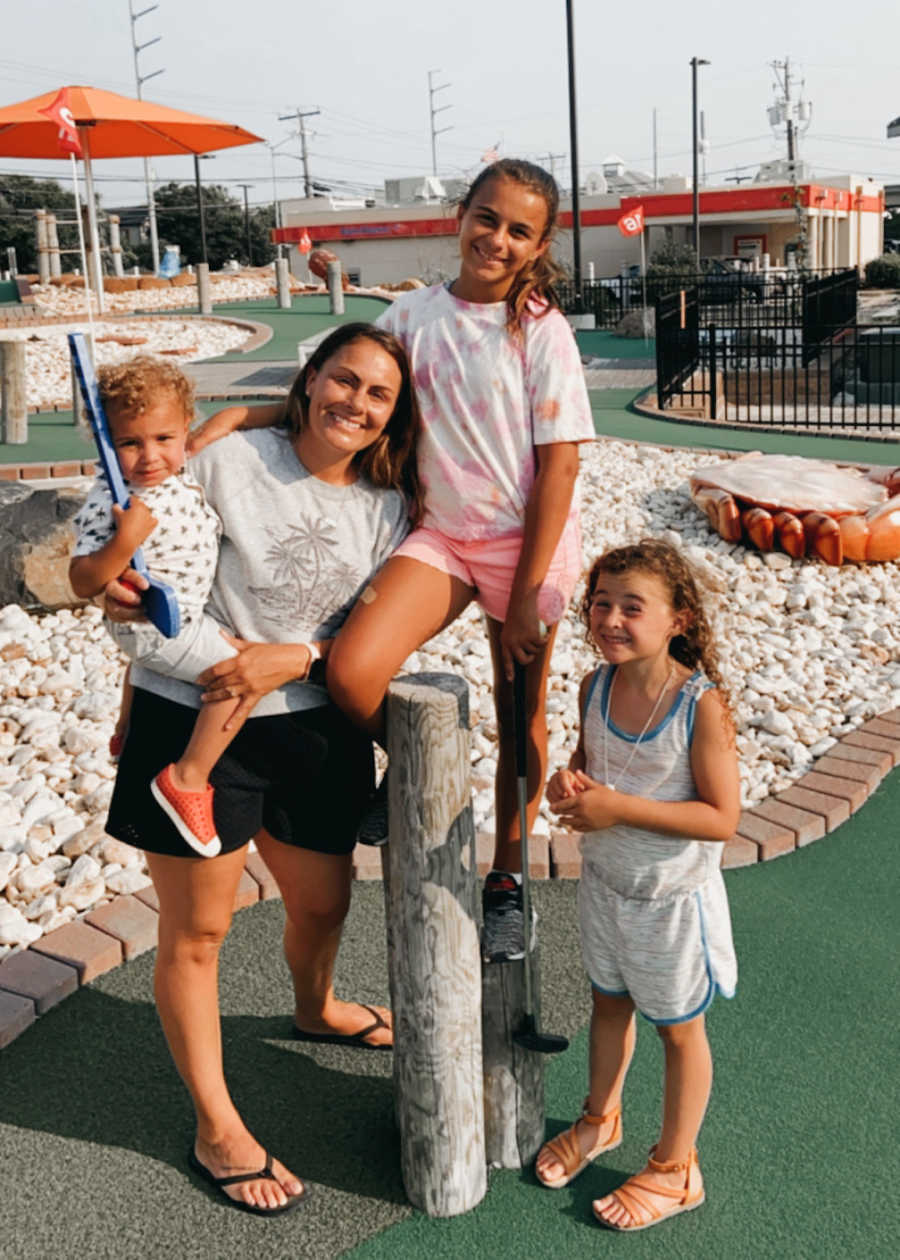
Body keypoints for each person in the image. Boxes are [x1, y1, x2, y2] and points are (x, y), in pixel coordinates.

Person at [193, 159, 596, 963]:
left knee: (523, 716)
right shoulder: (413, 315)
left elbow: (561, 468)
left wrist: (524, 597)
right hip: (444, 536)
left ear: (541, 243)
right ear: (461, 215)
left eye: (520, 230)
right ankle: (417, 766)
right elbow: (351, 388)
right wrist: (250, 410)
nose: (498, 239)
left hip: (528, 550)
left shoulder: (539, 328)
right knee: (351, 670)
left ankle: (508, 880)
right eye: (487, 218)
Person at [99, 323, 421, 1215]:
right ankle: (216, 1123)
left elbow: (370, 633)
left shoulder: (391, 505)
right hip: (191, 722)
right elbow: (148, 568)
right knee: (197, 934)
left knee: (324, 903)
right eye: (342, 380)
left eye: (377, 393)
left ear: (393, 413)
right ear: (308, 378)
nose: (353, 403)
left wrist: (301, 660)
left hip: (315, 730)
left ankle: (314, 1006)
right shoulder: (225, 457)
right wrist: (120, 617)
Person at [535, 539, 739, 1233]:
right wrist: (572, 781)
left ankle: (678, 1167)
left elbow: (721, 818)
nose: (611, 619)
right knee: (608, 1003)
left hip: (670, 903)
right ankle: (602, 1120)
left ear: (678, 618)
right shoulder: (597, 685)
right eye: (600, 603)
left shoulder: (698, 705)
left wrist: (617, 807)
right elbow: (590, 763)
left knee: (679, 1030)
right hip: (607, 888)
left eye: (632, 607)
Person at [70, 356, 248, 858]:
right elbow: (83, 579)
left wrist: (233, 417)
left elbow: (233, 418)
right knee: (236, 677)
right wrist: (123, 544)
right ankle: (187, 778)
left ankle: (127, 727)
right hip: (150, 621)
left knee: (152, 663)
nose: (149, 456)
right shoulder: (113, 496)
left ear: (185, 431)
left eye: (164, 439)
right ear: (107, 444)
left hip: (185, 614)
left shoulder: (182, 470)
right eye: (130, 443)